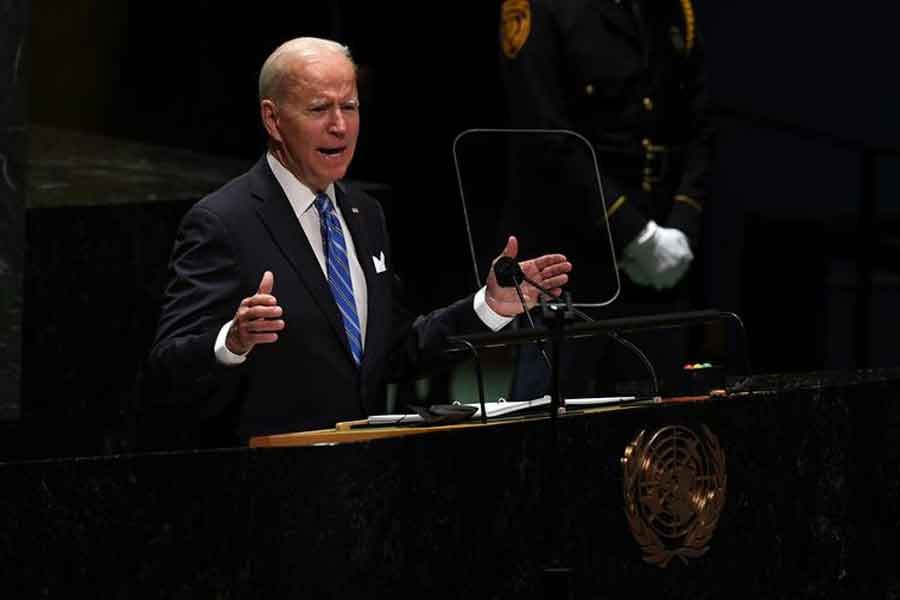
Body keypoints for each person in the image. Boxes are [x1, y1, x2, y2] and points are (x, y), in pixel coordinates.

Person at [146, 37, 572, 441]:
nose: (339, 125)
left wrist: (490, 306)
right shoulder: (222, 222)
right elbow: (168, 365)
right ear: (272, 119)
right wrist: (232, 341)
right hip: (265, 487)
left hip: (360, 486)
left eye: (349, 106)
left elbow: (394, 351)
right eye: (318, 109)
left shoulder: (365, 214)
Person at [498, 0, 713, 398]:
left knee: (657, 429)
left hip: (658, 264)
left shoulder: (672, 10)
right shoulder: (542, 8)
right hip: (568, 259)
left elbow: (700, 128)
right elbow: (545, 134)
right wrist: (633, 232)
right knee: (548, 426)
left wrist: (680, 226)